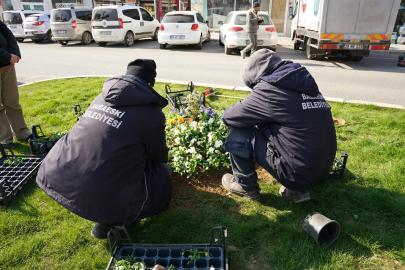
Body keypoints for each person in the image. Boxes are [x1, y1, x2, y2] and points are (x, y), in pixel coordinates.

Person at [36, 59, 172, 239]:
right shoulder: (152, 113)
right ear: (149, 84)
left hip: (56, 172)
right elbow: (159, 155)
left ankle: (105, 218)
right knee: (162, 171)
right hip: (96, 190)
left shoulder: (101, 97)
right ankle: (112, 219)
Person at [221, 49, 337, 203]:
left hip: (298, 174)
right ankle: (297, 191)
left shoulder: (269, 89)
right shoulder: (302, 84)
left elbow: (230, 116)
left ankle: (246, 186)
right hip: (321, 170)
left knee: (240, 128)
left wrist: (252, 108)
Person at [0, 21, 33, 150]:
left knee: (12, 102)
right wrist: (8, 56)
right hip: (6, 60)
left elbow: (8, 34)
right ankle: (4, 139)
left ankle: (22, 133)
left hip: (7, 67)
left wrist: (15, 53)